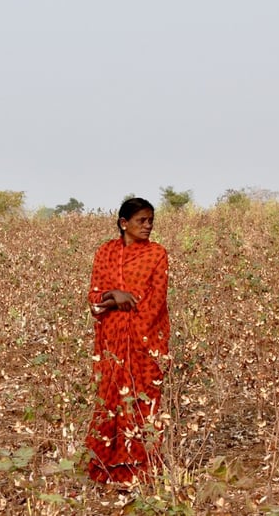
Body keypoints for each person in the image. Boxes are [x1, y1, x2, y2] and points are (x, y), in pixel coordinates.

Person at [85, 197, 170, 485]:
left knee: (142, 401)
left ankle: (141, 471)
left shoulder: (157, 254)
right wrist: (115, 296)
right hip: (110, 340)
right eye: (141, 221)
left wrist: (115, 301)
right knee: (110, 399)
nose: (147, 226)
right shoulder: (105, 252)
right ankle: (106, 468)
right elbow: (94, 298)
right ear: (124, 223)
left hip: (143, 342)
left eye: (150, 221)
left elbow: (155, 301)